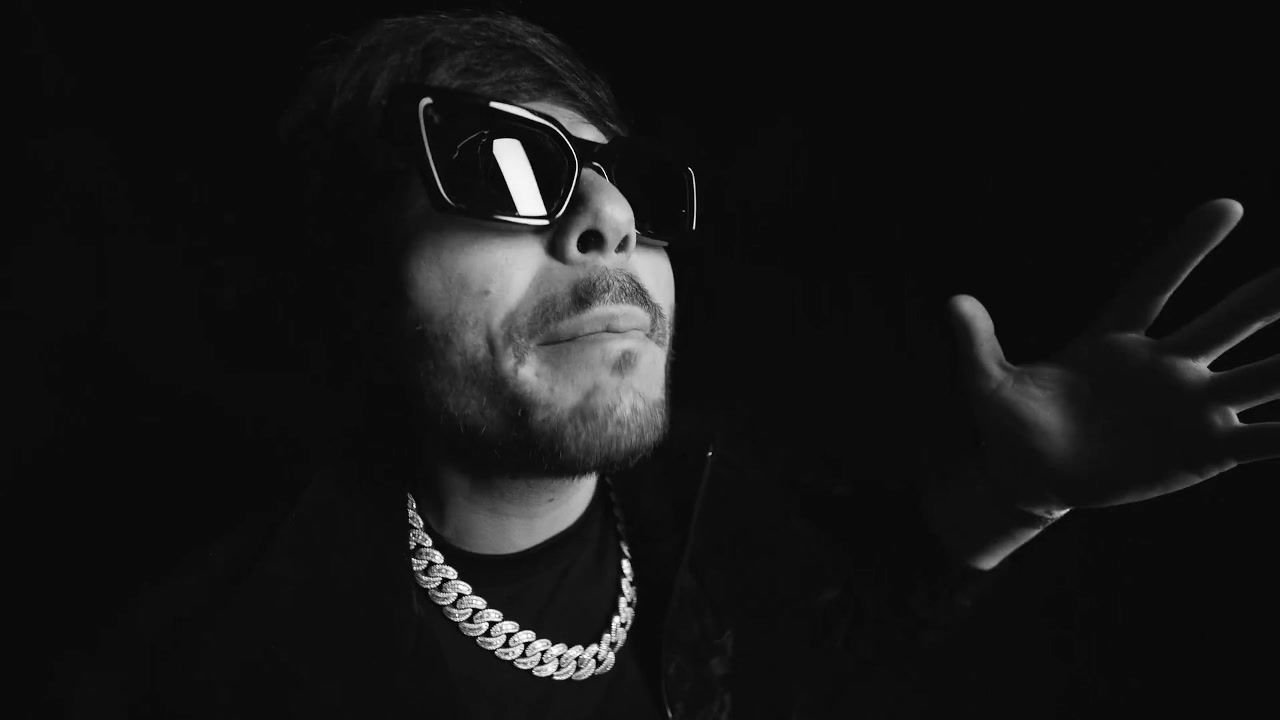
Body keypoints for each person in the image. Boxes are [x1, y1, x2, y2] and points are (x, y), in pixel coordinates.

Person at [60, 10, 1278, 719]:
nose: (608, 222)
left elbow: (837, 630)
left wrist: (1019, 493)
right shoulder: (212, 661)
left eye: (629, 187)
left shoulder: (706, 515)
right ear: (358, 285)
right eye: (501, 171)